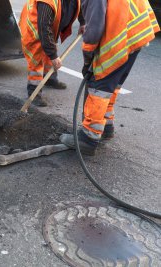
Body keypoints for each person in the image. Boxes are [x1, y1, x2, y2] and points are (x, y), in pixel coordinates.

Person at [60, 0, 160, 155]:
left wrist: (88, 61)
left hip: (123, 36)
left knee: (98, 85)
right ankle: (106, 127)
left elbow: (94, 34)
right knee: (112, 85)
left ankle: (88, 138)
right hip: (138, 32)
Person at [19, 0, 85, 107]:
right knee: (37, 58)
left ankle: (50, 79)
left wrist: (83, 22)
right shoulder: (47, 1)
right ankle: (34, 92)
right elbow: (44, 28)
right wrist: (53, 55)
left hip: (50, 24)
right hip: (35, 25)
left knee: (50, 48)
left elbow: (80, 4)